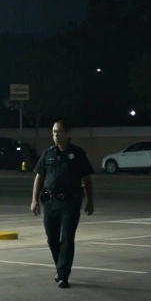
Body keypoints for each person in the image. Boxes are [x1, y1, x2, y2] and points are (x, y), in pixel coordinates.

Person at [31, 119, 95, 288]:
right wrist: (34, 200)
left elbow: (87, 179)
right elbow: (39, 177)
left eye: (58, 132)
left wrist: (90, 201)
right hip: (50, 203)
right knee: (52, 239)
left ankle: (63, 275)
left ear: (68, 134)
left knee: (67, 238)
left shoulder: (78, 154)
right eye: (53, 132)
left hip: (70, 203)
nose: (55, 135)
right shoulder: (48, 153)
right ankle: (60, 268)